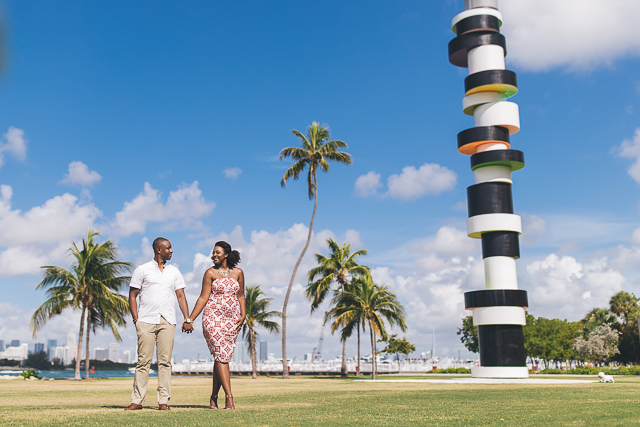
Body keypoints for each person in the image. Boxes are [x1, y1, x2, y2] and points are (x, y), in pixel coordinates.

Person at [125, 237, 191, 411]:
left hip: (168, 320)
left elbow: (181, 296)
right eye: (168, 248)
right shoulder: (142, 270)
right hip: (146, 320)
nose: (171, 251)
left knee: (165, 362)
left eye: (171, 248)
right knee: (143, 362)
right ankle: (137, 401)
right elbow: (132, 295)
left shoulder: (174, 272)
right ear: (158, 250)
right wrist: (135, 318)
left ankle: (164, 401)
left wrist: (187, 318)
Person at [183, 241, 246, 410]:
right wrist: (190, 319)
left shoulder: (238, 273)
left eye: (217, 252)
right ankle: (229, 398)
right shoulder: (210, 273)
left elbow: (241, 296)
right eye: (213, 253)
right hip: (212, 319)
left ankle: (213, 398)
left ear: (226, 254)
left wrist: (243, 314)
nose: (214, 255)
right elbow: (203, 298)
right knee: (221, 355)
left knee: (221, 357)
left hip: (232, 320)